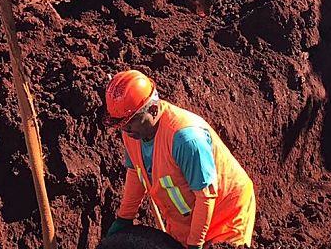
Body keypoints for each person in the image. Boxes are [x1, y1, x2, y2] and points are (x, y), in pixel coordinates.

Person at [102, 70, 256, 248]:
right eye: (121, 123)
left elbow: (206, 196)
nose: (125, 129)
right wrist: (124, 217)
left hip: (225, 215)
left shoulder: (186, 139)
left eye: (130, 121)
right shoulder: (133, 133)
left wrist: (195, 244)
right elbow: (136, 173)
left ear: (153, 109)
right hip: (185, 219)